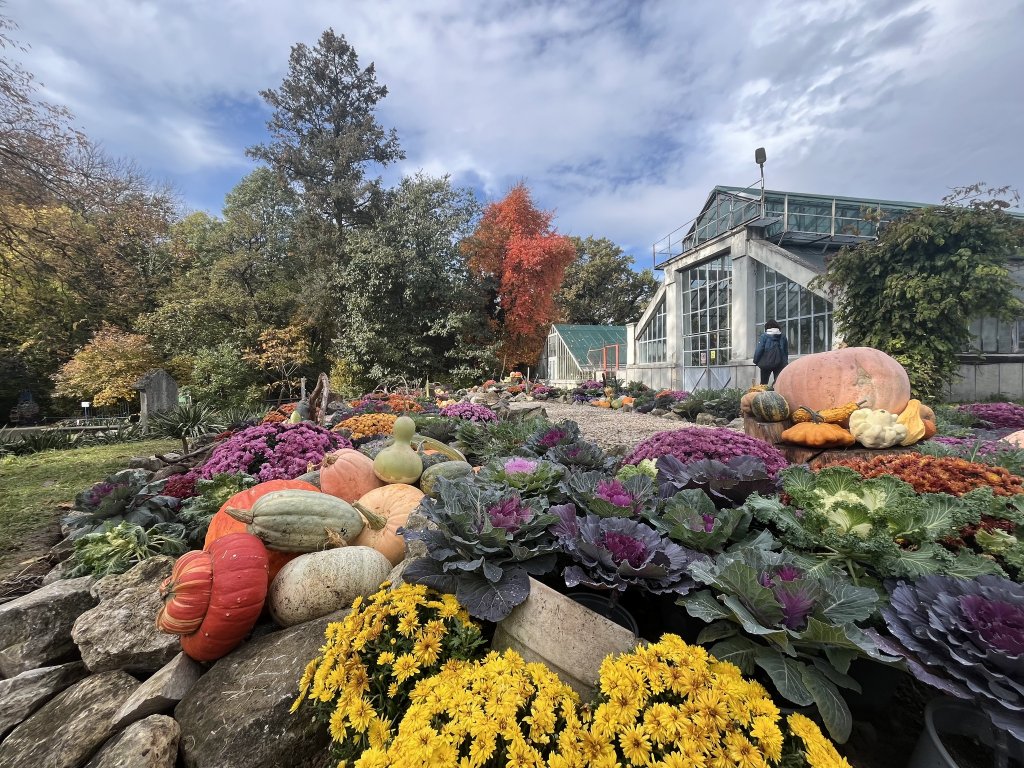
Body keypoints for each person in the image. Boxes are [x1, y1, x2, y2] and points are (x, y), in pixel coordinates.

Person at [752, 320, 789, 385]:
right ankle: (777, 394)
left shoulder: (764, 336)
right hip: (780, 364)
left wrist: (755, 360)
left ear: (767, 328)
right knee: (778, 383)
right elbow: (785, 351)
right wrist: (785, 362)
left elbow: (759, 350)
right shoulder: (783, 337)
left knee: (763, 383)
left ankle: (764, 395)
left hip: (766, 363)